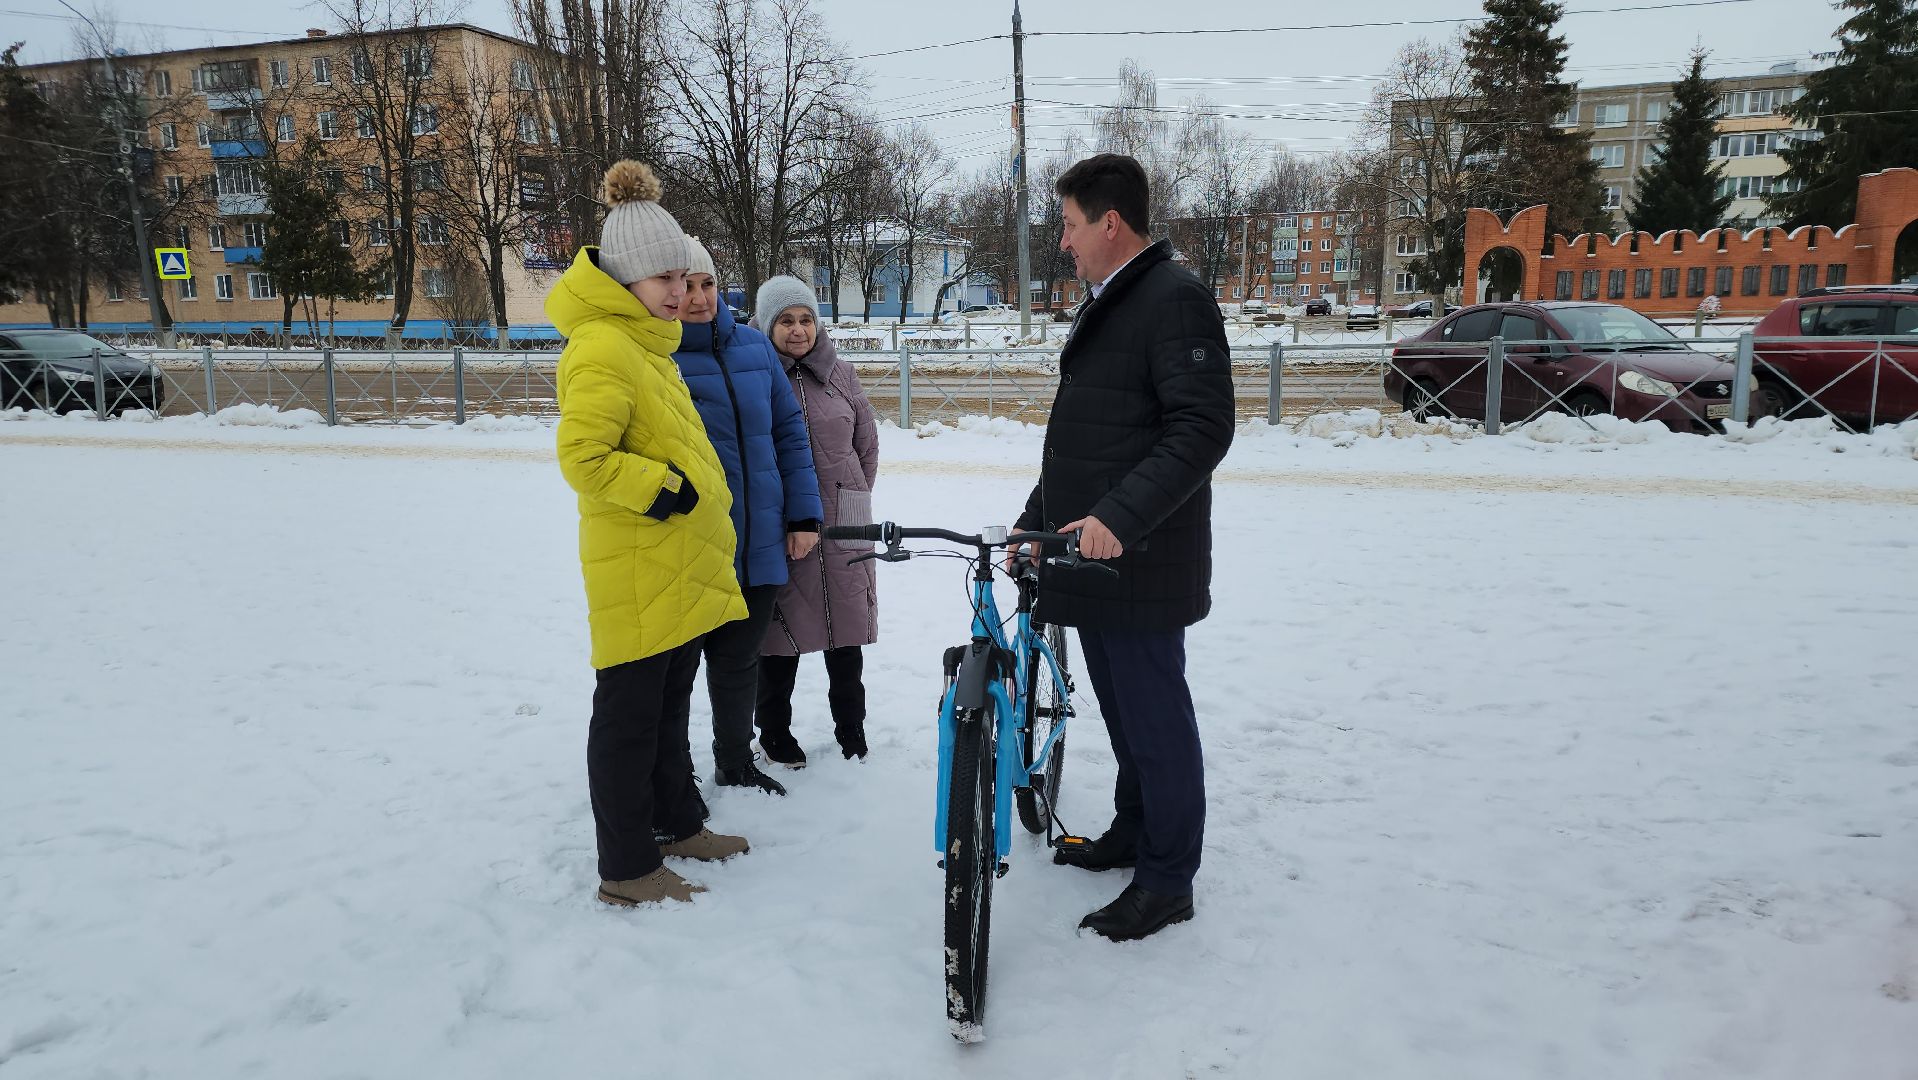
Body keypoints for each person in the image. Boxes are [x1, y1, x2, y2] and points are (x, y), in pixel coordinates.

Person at [1014, 153, 1235, 942]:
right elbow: (1090, 441)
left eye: (1070, 225)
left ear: (1110, 223)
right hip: (1097, 559)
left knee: (1156, 723)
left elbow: (1202, 428)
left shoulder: (1173, 299)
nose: (1063, 242)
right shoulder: (1117, 300)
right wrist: (1036, 521)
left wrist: (1121, 517)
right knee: (1126, 718)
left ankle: (1168, 880)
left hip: (1141, 559)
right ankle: (1136, 833)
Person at [547, 161, 751, 908]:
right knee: (629, 722)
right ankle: (628, 868)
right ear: (624, 276)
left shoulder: (646, 344)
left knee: (666, 711)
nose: (678, 289)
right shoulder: (602, 346)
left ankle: (677, 823)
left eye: (683, 275)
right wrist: (665, 491)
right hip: (636, 567)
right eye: (663, 277)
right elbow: (584, 457)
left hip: (670, 567)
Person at [671, 240, 823, 798]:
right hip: (691, 542)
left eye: (707, 284)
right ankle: (674, 775)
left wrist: (803, 515)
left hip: (759, 536)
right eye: (686, 286)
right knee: (677, 672)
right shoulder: (657, 356)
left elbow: (790, 436)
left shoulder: (755, 349)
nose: (698, 297)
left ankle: (734, 761)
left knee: (739, 662)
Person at [750, 277, 879, 765]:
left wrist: (854, 496)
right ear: (767, 325)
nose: (798, 330)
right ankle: (774, 732)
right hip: (783, 523)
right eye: (785, 320)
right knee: (779, 634)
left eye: (806, 319)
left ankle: (851, 728)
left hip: (845, 517)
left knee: (846, 631)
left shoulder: (841, 373)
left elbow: (866, 442)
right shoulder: (756, 373)